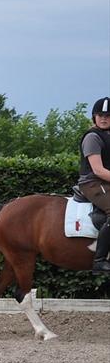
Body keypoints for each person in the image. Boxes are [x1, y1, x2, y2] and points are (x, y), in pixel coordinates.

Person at [79, 96, 110, 273]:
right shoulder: (92, 137)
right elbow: (98, 170)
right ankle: (99, 260)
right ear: (94, 117)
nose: (104, 118)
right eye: (100, 115)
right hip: (92, 182)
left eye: (108, 115)